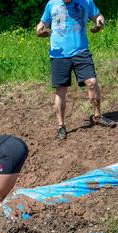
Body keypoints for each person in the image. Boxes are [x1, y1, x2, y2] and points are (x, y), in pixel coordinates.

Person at [36, 0, 115, 140]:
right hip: (59, 54)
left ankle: (97, 116)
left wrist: (99, 23)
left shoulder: (86, 1)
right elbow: (41, 25)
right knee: (61, 90)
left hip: (81, 51)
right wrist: (40, 31)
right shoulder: (51, 4)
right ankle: (61, 126)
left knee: (92, 82)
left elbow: (98, 16)